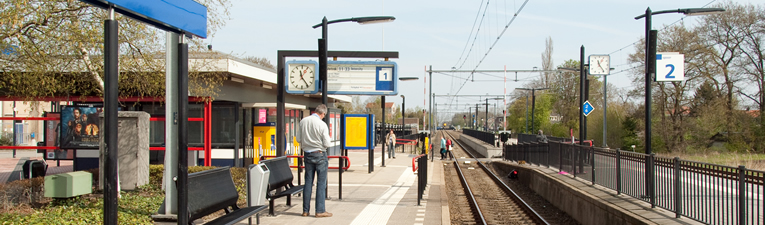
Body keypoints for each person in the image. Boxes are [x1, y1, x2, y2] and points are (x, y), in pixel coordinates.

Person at [296, 104, 333, 218]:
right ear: (323, 114)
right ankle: (320, 210)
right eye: (323, 116)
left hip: (307, 154)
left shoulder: (303, 121)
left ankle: (305, 210)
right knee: (321, 184)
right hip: (320, 154)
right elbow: (327, 143)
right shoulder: (322, 124)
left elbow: (298, 139)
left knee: (308, 182)